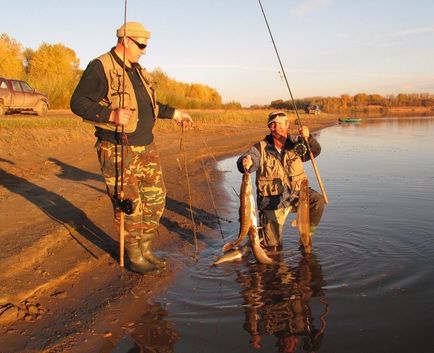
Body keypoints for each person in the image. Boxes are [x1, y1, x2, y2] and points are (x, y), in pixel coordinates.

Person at [70, 22, 192, 275]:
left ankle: (146, 248)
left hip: (146, 146)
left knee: (156, 199)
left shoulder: (137, 70)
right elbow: (78, 102)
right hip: (116, 149)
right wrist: (110, 114)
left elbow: (150, 106)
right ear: (125, 40)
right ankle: (134, 254)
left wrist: (176, 113)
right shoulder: (100, 66)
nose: (144, 51)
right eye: (141, 45)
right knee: (130, 204)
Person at [236, 111, 324, 252]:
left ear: (287, 125)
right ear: (269, 128)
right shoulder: (260, 147)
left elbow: (314, 151)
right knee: (274, 249)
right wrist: (246, 161)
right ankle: (262, 233)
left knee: (317, 201)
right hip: (271, 202)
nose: (276, 127)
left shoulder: (297, 143)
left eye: (280, 124)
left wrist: (309, 138)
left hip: (296, 195)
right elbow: (248, 160)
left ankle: (306, 234)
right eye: (272, 124)